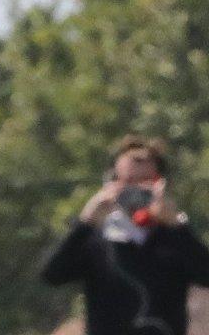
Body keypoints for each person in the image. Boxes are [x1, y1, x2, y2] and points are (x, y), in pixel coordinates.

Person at [41, 135, 209, 335]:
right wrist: (85, 222)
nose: (135, 192)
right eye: (128, 182)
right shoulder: (97, 239)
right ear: (112, 182)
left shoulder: (174, 237)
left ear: (160, 184)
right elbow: (52, 275)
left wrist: (176, 226)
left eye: (144, 183)